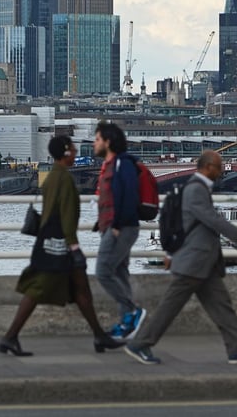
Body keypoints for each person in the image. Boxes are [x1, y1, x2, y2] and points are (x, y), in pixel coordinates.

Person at [124, 149, 237, 365]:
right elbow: (212, 219)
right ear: (208, 167)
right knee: (169, 308)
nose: (221, 171)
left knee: (222, 307)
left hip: (203, 263)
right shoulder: (196, 189)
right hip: (193, 262)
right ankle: (140, 344)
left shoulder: (197, 187)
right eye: (218, 167)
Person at [0, 135, 125, 356]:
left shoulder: (51, 177)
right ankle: (10, 337)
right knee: (41, 290)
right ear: (65, 152)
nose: (75, 153)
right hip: (59, 245)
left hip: (49, 242)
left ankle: (99, 336)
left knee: (78, 290)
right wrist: (74, 246)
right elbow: (66, 217)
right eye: (73, 150)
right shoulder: (65, 179)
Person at [92, 122, 147, 340]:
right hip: (112, 227)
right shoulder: (110, 165)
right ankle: (126, 324)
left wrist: (115, 226)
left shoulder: (122, 164)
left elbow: (129, 195)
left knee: (103, 271)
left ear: (108, 142)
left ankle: (133, 311)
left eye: (97, 139)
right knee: (120, 273)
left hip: (121, 228)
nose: (94, 143)